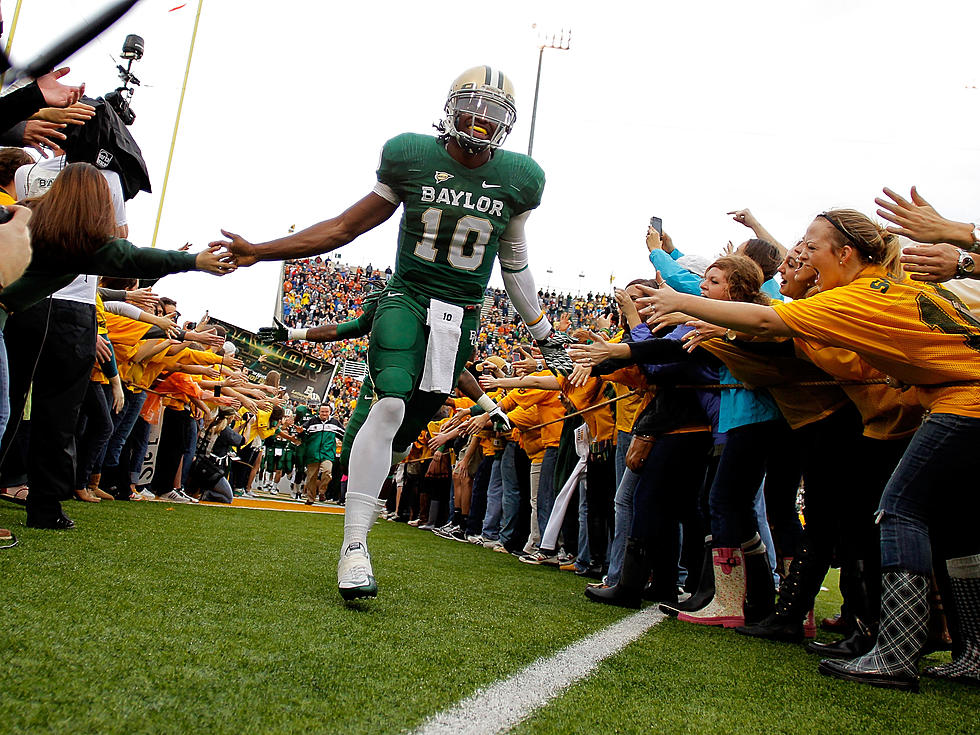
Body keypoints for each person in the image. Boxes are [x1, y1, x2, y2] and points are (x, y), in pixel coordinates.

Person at [216, 65, 564, 600]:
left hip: (462, 314)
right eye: (474, 106)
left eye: (495, 112)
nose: (481, 120)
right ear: (451, 106)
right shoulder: (411, 155)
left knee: (408, 427)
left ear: (507, 124)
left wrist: (543, 333)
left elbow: (514, 262)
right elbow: (344, 226)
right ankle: (354, 545)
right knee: (390, 404)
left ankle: (372, 493)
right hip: (406, 296)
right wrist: (260, 251)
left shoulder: (521, 178)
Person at [639, 207, 980, 691]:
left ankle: (895, 652)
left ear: (844, 254)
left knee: (899, 511)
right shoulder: (884, 279)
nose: (800, 257)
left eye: (812, 248)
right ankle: (974, 651)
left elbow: (764, 317)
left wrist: (683, 300)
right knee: (960, 531)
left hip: (965, 398)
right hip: (955, 396)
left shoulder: (850, 297)